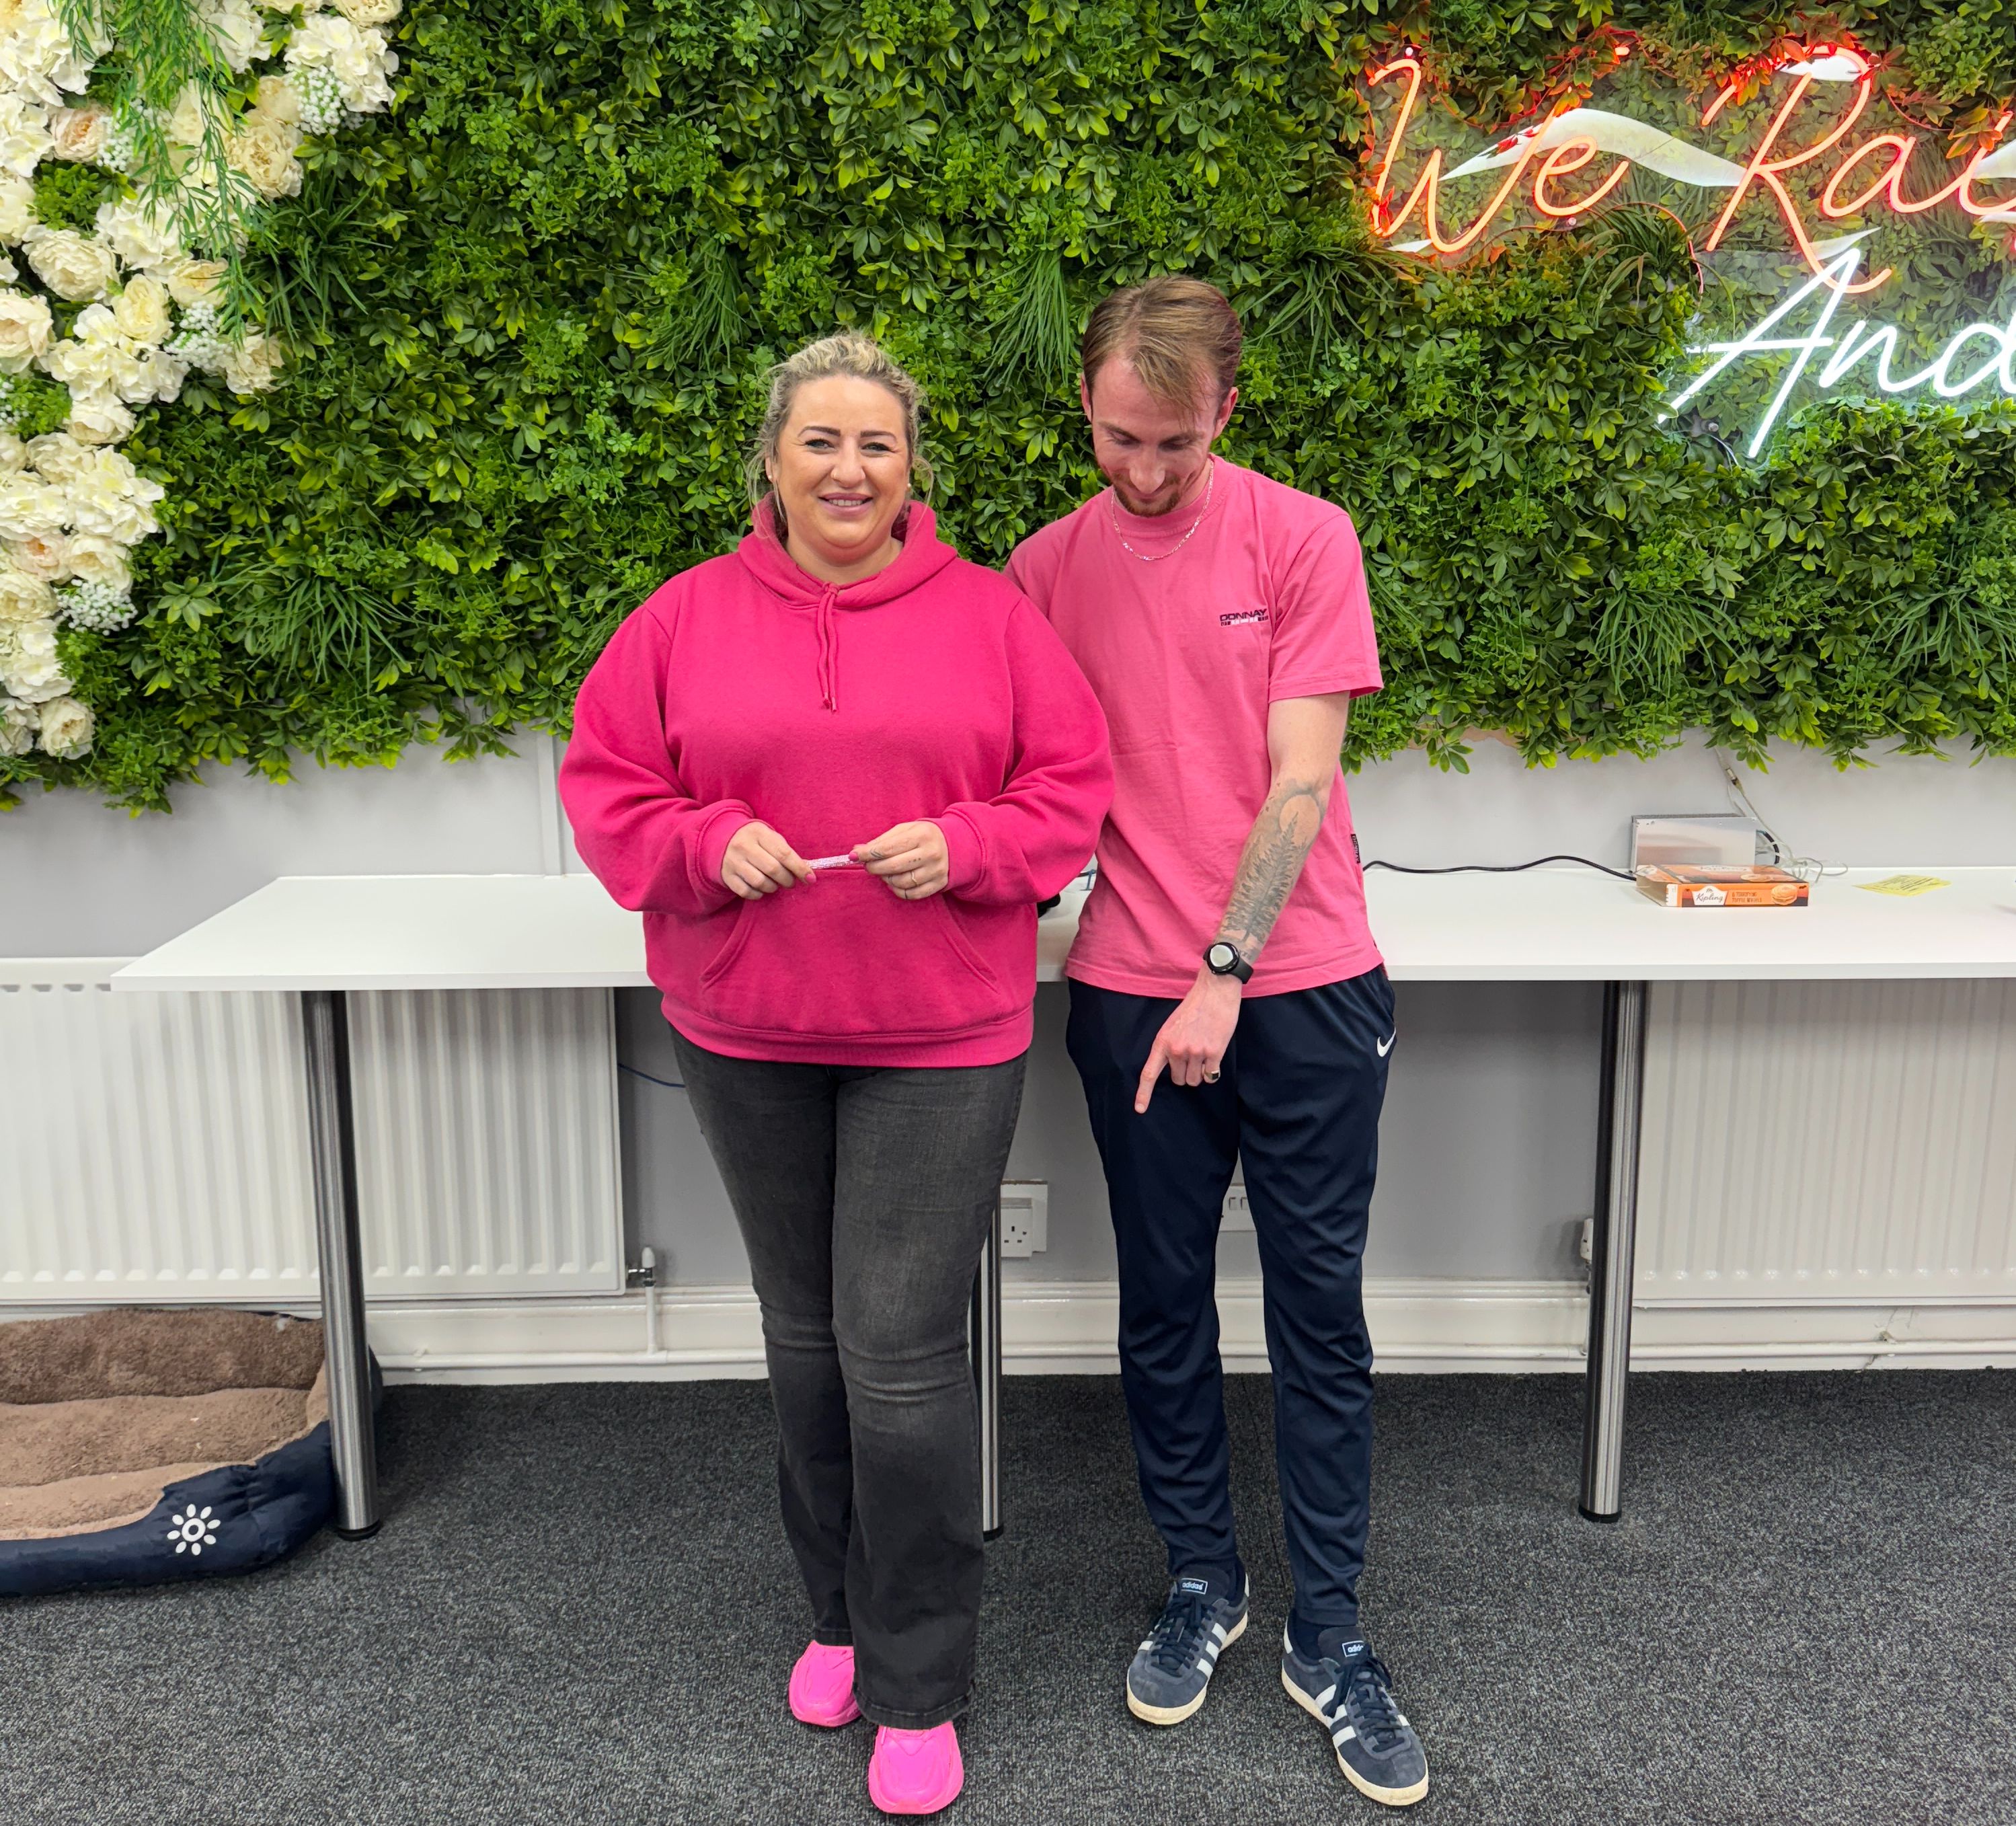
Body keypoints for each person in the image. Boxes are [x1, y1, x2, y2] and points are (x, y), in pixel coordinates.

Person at [559, 334, 1111, 1818]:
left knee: (902, 1349)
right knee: (800, 1333)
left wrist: (977, 845)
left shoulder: (993, 618)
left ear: (909, 464)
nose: (848, 469)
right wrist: (696, 842)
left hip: (939, 1033)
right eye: (820, 441)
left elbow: (1068, 786)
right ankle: (836, 1616)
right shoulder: (679, 617)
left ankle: (920, 1674)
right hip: (744, 1026)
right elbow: (609, 784)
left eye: (875, 442)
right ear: (772, 459)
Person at [1006, 276, 1429, 1807]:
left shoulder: (1299, 538)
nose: (1141, 471)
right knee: (1160, 1304)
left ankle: (1330, 1637)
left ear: (1225, 416)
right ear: (1089, 409)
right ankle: (1203, 1580)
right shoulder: (1043, 565)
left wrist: (1225, 968)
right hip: (1127, 985)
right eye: (1119, 437)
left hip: (1300, 981)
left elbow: (1298, 781)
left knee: (1319, 1314)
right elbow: (1031, 781)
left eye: (1172, 444)